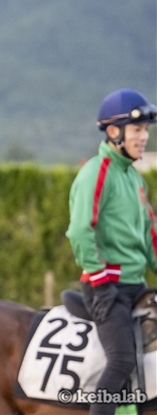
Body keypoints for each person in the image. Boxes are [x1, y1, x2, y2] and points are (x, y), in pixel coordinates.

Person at [66, 88, 157, 415]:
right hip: (104, 288)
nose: (144, 137)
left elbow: (150, 237)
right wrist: (98, 274)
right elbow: (79, 230)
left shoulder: (135, 178)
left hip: (135, 286)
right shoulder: (96, 170)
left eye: (146, 130)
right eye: (138, 130)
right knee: (121, 360)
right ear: (114, 132)